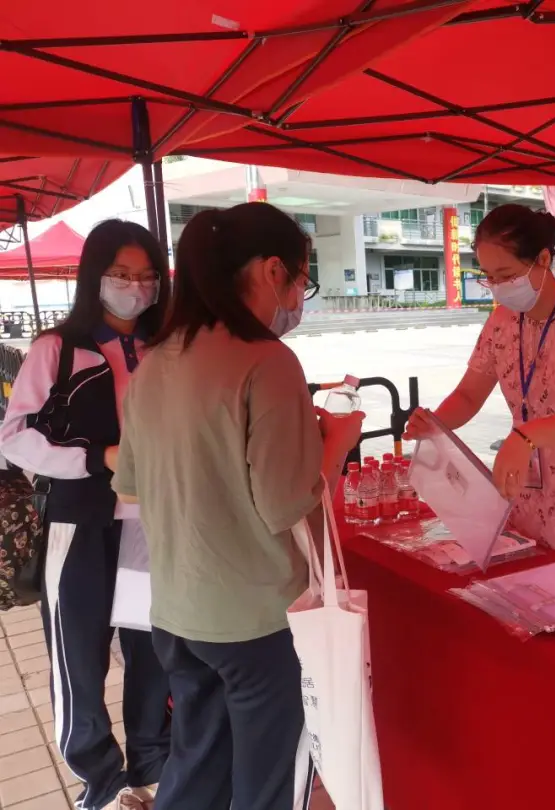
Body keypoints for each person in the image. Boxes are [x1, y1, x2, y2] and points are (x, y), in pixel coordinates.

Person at [112, 202, 363, 810]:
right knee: (269, 780)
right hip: (257, 621)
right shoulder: (267, 360)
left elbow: (131, 486)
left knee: (198, 765)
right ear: (273, 271)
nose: (299, 297)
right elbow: (285, 504)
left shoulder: (158, 359)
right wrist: (336, 442)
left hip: (177, 614)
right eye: (302, 280)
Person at [0, 220, 172, 810]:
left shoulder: (166, 349)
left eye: (147, 276)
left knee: (152, 648)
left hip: (154, 523)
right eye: (122, 274)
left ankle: (153, 767)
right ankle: (100, 782)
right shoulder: (57, 349)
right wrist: (98, 457)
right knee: (78, 655)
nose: (136, 286)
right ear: (95, 276)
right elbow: (15, 437)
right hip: (78, 524)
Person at [406, 204, 555, 561]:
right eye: (489, 277)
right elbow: (468, 395)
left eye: (506, 274)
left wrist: (526, 436)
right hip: (522, 485)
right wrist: (434, 424)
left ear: (543, 260)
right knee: (528, 581)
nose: (498, 287)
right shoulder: (502, 321)